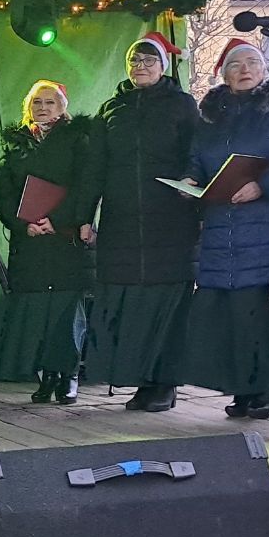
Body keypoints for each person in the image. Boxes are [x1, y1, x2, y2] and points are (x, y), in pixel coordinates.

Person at [180, 40, 269, 418]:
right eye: (236, 64)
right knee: (229, 315)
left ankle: (266, 391)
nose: (245, 69)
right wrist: (190, 180)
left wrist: (263, 186)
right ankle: (241, 389)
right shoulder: (211, 117)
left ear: (265, 70)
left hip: (266, 223)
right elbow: (196, 158)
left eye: (253, 62)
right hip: (221, 224)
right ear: (224, 73)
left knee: (260, 312)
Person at [77, 32, 200, 413]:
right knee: (129, 306)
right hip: (122, 224)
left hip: (170, 222)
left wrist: (191, 180)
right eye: (134, 61)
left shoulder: (183, 106)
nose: (140, 67)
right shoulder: (111, 109)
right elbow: (94, 168)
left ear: (163, 66)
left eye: (148, 61)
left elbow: (196, 153)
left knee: (165, 305)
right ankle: (138, 380)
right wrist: (84, 216)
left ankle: (164, 383)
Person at [0, 80, 93, 404]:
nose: (43, 107)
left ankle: (68, 375)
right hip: (30, 244)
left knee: (65, 311)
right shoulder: (17, 144)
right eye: (37, 102)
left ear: (63, 106)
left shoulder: (79, 141)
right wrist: (23, 224)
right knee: (37, 313)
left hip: (63, 242)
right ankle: (45, 376)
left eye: (50, 102)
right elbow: (2, 191)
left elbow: (84, 187)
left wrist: (58, 219)